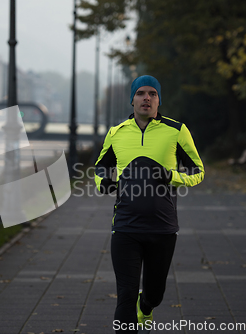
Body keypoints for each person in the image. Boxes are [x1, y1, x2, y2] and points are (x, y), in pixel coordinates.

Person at [94, 75, 204, 333]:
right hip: (124, 227)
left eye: (152, 94)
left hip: (162, 228)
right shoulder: (116, 133)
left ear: (158, 100)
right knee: (125, 295)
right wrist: (104, 183)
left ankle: (147, 305)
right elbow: (100, 167)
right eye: (141, 93)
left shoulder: (176, 131)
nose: (146, 98)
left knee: (155, 293)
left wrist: (172, 177)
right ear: (132, 99)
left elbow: (198, 171)